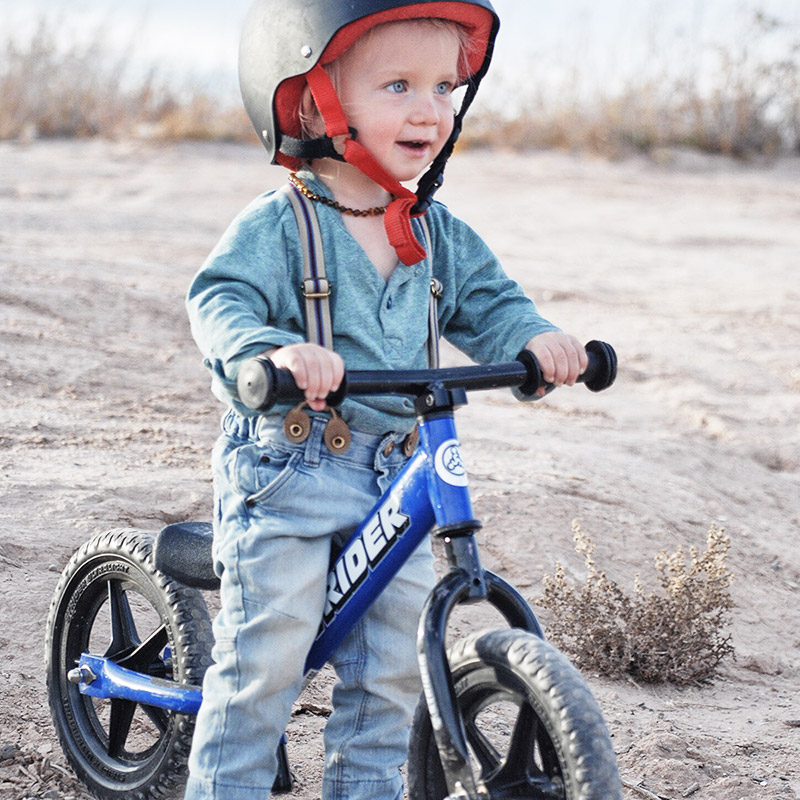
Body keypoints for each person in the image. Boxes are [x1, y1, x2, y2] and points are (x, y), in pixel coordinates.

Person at [184, 1, 587, 798]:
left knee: (390, 680)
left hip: (400, 477)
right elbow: (219, 300)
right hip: (292, 473)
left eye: (444, 87)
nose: (428, 109)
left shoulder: (437, 231)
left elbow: (496, 305)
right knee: (265, 664)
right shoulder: (281, 224)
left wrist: (539, 342)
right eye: (398, 83)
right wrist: (272, 351)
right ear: (312, 102)